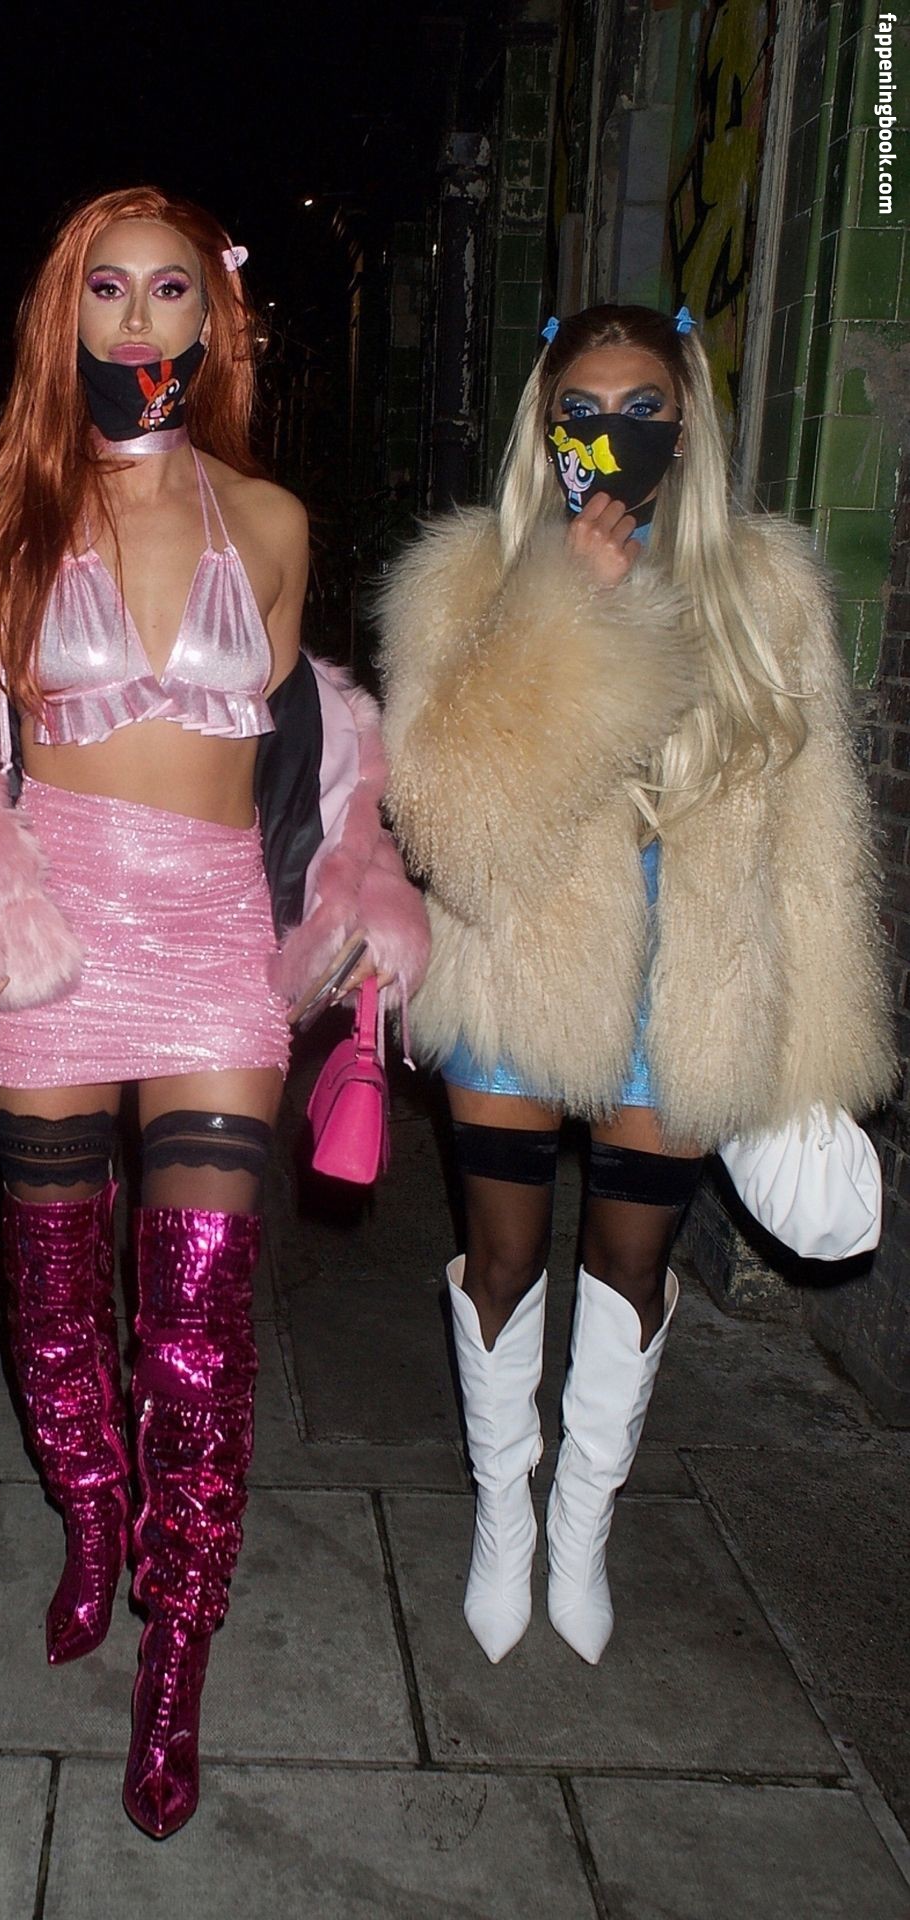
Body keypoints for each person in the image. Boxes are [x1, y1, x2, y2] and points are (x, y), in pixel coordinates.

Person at [0, 187, 430, 1837]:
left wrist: (353, 892)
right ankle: (93, 1520)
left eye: (166, 288)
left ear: (211, 317)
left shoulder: (271, 520)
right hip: (53, 934)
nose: (135, 318)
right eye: (103, 289)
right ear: (67, 320)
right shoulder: (2, 519)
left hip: (208, 936)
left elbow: (299, 752)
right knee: (50, 1298)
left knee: (195, 1319)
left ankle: (178, 1639)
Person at [376, 303, 892, 1668]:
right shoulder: (468, 580)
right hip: (515, 961)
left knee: (630, 1258)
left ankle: (582, 1522)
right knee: (501, 1255)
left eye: (644, 410)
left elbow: (815, 842)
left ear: (687, 419)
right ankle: (504, 1512)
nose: (614, 438)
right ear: (544, 427)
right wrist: (564, 611)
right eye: (584, 414)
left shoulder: (765, 589)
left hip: (689, 984)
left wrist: (803, 1037)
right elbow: (445, 822)